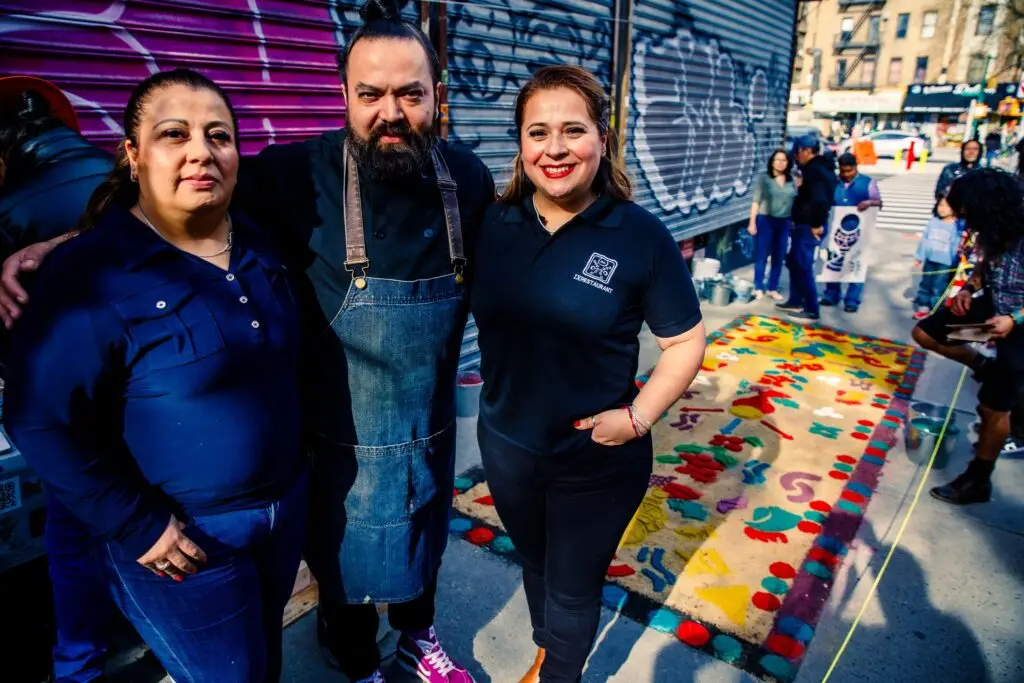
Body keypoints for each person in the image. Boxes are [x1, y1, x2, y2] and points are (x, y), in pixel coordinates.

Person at [0, 3, 491, 681]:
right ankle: (358, 663)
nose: (391, 112)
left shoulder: (466, 180)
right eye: (370, 94)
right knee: (341, 571)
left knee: (422, 542)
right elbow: (168, 201)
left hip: (418, 429)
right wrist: (64, 246)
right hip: (337, 443)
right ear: (342, 95)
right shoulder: (295, 176)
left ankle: (416, 639)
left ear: (438, 96)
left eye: (411, 93)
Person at [4, 68, 308, 682]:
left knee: (266, 661)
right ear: (133, 155)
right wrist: (136, 524)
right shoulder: (89, 273)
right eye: (175, 134)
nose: (201, 150)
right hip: (185, 544)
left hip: (281, 514)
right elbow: (38, 417)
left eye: (218, 135)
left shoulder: (260, 239)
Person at [472, 65, 706, 683]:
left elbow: (684, 342)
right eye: (537, 132)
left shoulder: (639, 235)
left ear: (602, 138)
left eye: (573, 130)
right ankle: (549, 653)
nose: (555, 149)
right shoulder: (494, 223)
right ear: (520, 144)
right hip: (506, 445)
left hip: (594, 455)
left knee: (573, 587)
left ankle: (558, 674)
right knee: (536, 562)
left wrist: (636, 418)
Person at [0, 76, 116, 683]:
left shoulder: (6, 207)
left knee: (73, 540)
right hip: (144, 396)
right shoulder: (125, 174)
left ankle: (80, 665)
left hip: (66, 409)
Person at [912, 169, 1024, 505]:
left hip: (1019, 320)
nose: (964, 219)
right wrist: (967, 289)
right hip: (993, 304)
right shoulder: (992, 229)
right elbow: (984, 267)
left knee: (993, 409)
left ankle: (978, 481)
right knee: (925, 332)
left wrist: (1013, 320)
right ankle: (984, 366)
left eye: (967, 212)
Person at [777, 134, 836, 322]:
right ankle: (795, 300)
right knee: (794, 263)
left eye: (798, 152)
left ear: (806, 151)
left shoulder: (815, 171)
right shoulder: (820, 168)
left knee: (803, 266)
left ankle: (811, 308)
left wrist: (816, 224)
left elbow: (819, 201)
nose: (796, 156)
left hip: (808, 227)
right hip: (804, 225)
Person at [819, 152, 882, 313]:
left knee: (856, 265)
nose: (846, 175)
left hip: (859, 232)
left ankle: (852, 299)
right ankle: (831, 294)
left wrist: (870, 202)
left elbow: (880, 202)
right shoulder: (834, 182)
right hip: (836, 231)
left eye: (850, 171)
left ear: (856, 167)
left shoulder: (867, 183)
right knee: (833, 263)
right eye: (843, 171)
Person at [747, 149, 796, 301]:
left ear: (788, 163)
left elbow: (795, 201)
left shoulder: (791, 180)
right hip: (766, 220)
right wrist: (752, 222)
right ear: (772, 162)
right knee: (762, 255)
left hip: (784, 221)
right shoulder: (764, 179)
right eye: (777, 160)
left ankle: (772, 288)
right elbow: (756, 201)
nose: (780, 163)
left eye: (784, 160)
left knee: (778, 256)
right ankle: (758, 286)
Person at [912, 197, 963, 320]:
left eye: (947, 206)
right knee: (925, 283)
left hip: (945, 263)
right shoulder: (933, 222)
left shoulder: (957, 226)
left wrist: (956, 262)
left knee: (938, 287)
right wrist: (919, 257)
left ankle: (934, 309)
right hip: (930, 260)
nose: (942, 209)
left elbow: (956, 245)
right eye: (940, 205)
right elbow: (924, 240)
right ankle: (923, 306)